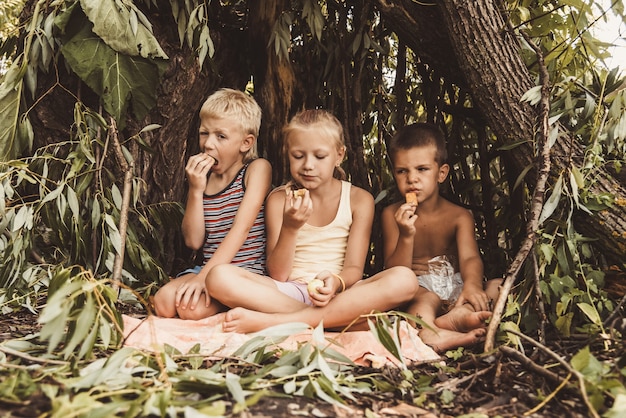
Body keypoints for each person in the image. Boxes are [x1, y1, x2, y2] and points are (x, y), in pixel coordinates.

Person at [205, 109, 418, 333]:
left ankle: (277, 322)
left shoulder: (358, 200)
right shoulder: (279, 200)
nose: (308, 165)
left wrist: (336, 282)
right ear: (288, 154)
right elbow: (278, 274)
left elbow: (354, 269)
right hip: (288, 292)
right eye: (298, 156)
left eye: (319, 156)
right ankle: (337, 322)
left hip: (342, 294)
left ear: (339, 155)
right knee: (219, 276)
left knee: (405, 279)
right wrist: (290, 228)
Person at [381, 122, 502, 352]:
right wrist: (406, 234)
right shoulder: (390, 215)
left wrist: (473, 286)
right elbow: (394, 273)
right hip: (418, 289)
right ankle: (430, 332)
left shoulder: (459, 216)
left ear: (441, 173)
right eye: (402, 171)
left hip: (456, 287)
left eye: (422, 169)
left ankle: (460, 316)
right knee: (425, 299)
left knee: (498, 286)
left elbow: (469, 259)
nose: (412, 179)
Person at [153, 88, 272, 320]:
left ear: (246, 143)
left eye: (221, 136)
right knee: (163, 303)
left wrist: (202, 278)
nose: (208, 144)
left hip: (243, 274)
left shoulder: (256, 170)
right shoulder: (205, 178)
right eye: (204, 133)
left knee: (191, 310)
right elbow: (194, 241)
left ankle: (240, 306)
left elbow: (242, 229)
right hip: (207, 269)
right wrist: (196, 190)